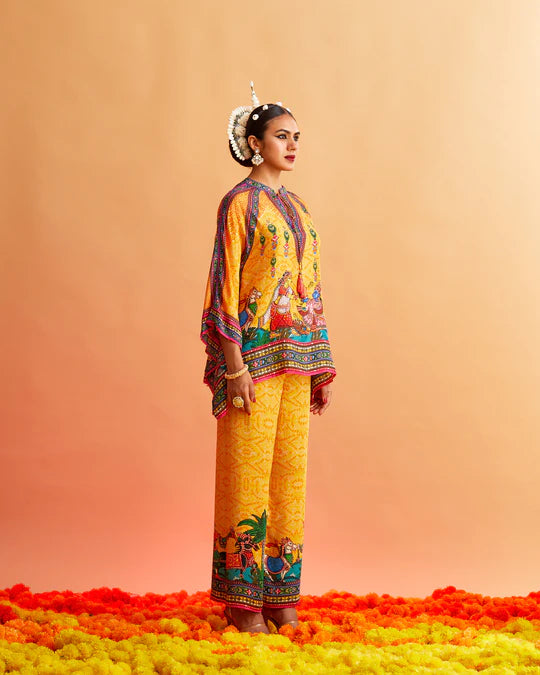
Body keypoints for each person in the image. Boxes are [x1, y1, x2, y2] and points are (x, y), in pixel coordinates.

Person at [200, 82, 336, 633]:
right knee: (247, 477)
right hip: (252, 363)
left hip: (296, 362)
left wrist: (319, 361)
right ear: (255, 143)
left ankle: (279, 593)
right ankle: (242, 601)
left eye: (297, 136)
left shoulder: (299, 207)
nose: (293, 145)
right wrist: (233, 366)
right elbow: (224, 288)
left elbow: (311, 289)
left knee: (289, 479)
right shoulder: (239, 204)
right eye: (283, 136)